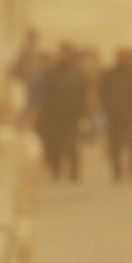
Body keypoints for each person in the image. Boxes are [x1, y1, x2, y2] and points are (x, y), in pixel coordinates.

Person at [35, 43, 89, 182]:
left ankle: (74, 172)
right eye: (62, 53)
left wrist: (83, 113)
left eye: (67, 54)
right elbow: (47, 94)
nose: (64, 56)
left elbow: (83, 94)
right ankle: (56, 170)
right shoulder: (53, 73)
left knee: (72, 144)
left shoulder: (79, 73)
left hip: (72, 115)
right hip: (56, 115)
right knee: (56, 145)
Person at [98, 48, 132, 182]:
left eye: (124, 56)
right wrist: (107, 108)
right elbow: (103, 93)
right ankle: (117, 172)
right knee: (114, 146)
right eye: (119, 56)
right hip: (114, 116)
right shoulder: (110, 74)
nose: (121, 59)